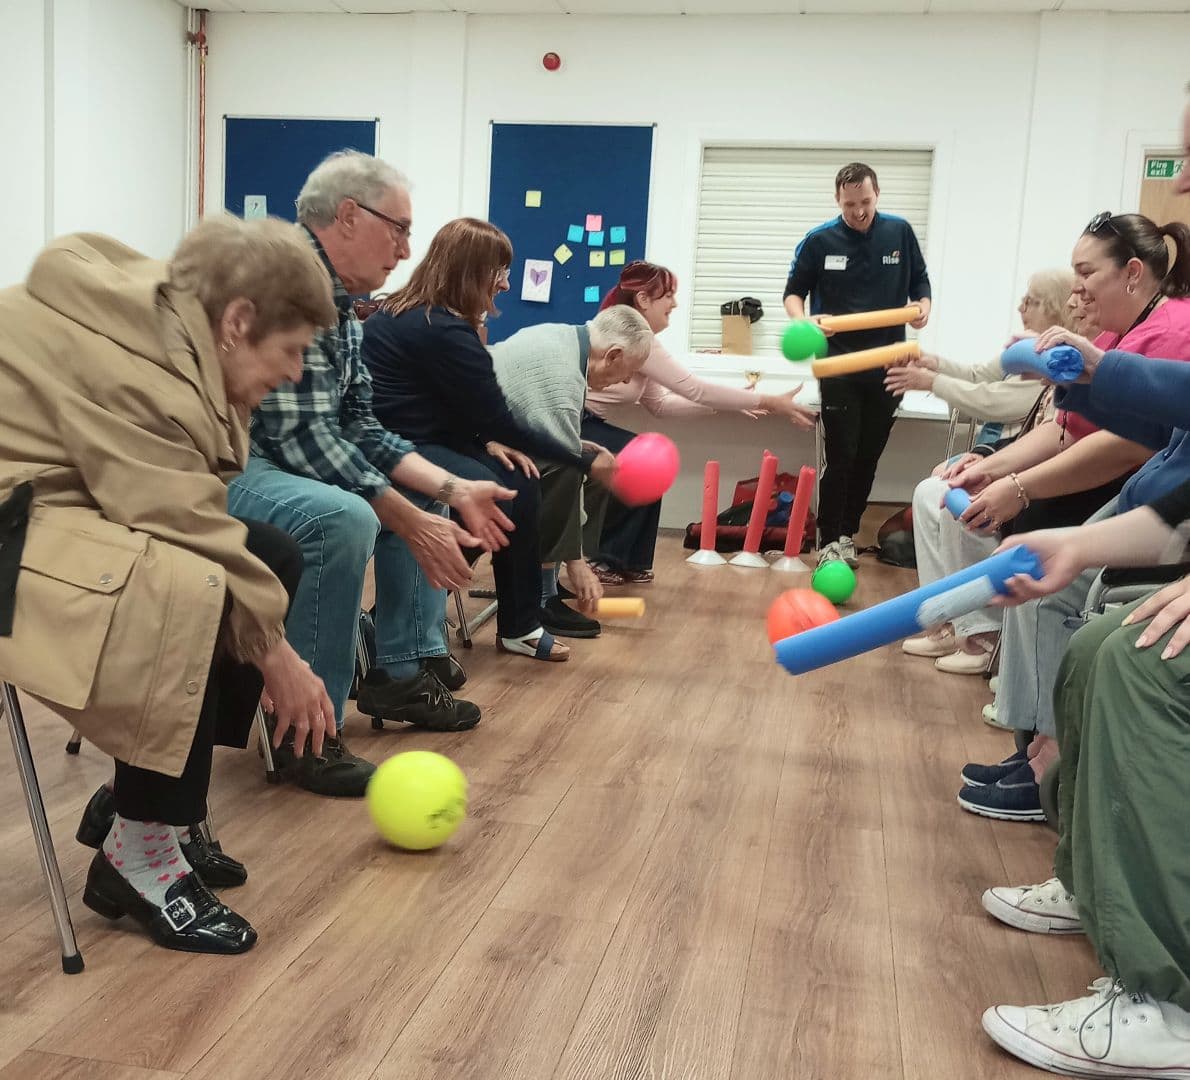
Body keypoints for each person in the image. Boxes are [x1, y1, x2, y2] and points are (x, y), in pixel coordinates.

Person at [0, 217, 338, 953]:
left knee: (267, 555)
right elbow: (177, 519)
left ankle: (152, 811)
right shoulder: (143, 363)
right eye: (290, 351)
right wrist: (279, 657)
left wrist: (270, 637)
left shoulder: (175, 332)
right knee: (189, 587)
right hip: (11, 523)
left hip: (62, 502)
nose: (294, 373)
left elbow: (178, 506)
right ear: (237, 322)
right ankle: (140, 855)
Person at [228, 154, 516, 798]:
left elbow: (359, 426)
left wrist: (450, 489)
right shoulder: (281, 286)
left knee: (418, 485)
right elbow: (300, 437)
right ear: (350, 215)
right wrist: (408, 518)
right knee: (342, 516)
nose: (407, 249)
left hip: (281, 453)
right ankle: (306, 730)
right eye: (400, 229)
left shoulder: (342, 302)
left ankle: (399, 670)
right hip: (227, 461)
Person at [957, 209, 1190, 822]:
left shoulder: (1166, 331)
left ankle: (1051, 768)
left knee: (1080, 622)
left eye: (1086, 272)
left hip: (1139, 495)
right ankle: (1039, 751)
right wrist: (998, 469)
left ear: (1133, 274)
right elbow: (1087, 424)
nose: (1074, 288)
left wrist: (1019, 487)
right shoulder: (1116, 332)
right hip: (1152, 497)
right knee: (1039, 574)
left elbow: (1128, 441)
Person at [362, 217, 596, 662]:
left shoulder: (434, 320)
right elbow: (498, 418)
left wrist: (487, 441)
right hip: (393, 447)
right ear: (470, 272)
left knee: (518, 478)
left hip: (426, 437)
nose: (506, 285)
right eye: (500, 272)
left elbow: (455, 405)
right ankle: (395, 623)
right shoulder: (439, 329)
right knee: (501, 496)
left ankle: (520, 623)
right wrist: (585, 459)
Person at [583, 261, 817, 586]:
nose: (675, 304)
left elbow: (660, 405)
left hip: (589, 423)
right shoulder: (634, 338)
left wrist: (721, 408)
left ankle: (626, 560)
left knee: (651, 460)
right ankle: (602, 558)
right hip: (571, 422)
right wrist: (768, 401)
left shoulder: (642, 344)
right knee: (638, 462)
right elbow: (696, 389)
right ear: (643, 300)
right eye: (668, 296)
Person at [783, 161, 932, 569]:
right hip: (839, 366)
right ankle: (830, 539)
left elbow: (920, 282)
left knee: (868, 456)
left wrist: (922, 308)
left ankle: (847, 534)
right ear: (838, 200)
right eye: (850, 205)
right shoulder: (820, 241)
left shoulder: (898, 232)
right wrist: (804, 321)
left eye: (865, 202)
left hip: (888, 366)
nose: (859, 211)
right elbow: (794, 293)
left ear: (877, 195)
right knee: (843, 453)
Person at [488, 306, 655, 635]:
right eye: (627, 371)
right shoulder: (563, 381)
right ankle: (543, 595)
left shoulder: (566, 336)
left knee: (594, 465)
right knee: (566, 471)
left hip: (496, 439)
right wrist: (577, 563)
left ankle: (550, 576)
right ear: (612, 354)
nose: (624, 380)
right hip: (477, 447)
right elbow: (562, 461)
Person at [884, 269, 1073, 448]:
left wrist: (932, 382)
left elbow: (991, 401)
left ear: (1054, 309)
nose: (1020, 308)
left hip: (1010, 459)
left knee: (935, 482)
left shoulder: (1055, 361)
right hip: (994, 452)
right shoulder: (1027, 348)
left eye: (1030, 302)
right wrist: (932, 363)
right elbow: (978, 376)